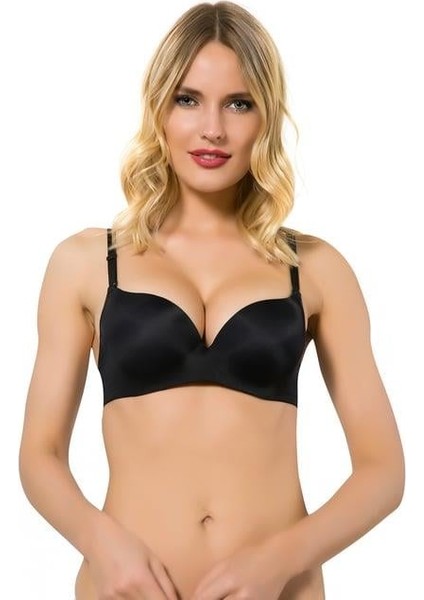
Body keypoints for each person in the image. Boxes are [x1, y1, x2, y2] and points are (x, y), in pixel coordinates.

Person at [18, 2, 405, 599]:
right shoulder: (86, 263)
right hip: (127, 590)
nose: (213, 129)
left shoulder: (316, 269)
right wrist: (101, 543)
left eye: (239, 103)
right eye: (188, 99)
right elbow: (39, 455)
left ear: (266, 116)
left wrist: (279, 560)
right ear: (159, 108)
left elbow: (383, 472)